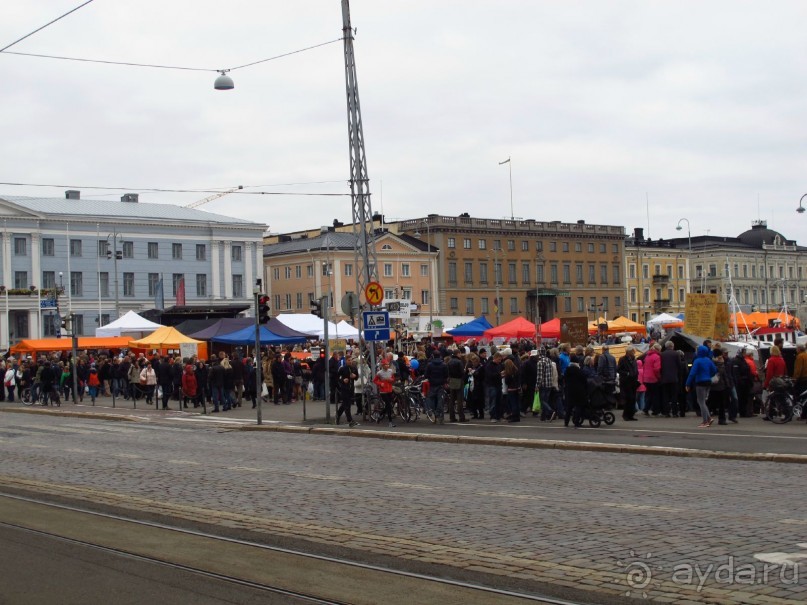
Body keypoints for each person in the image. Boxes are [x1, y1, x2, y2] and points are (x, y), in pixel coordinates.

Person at [685, 345, 717, 428]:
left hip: (700, 382)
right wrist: (709, 375)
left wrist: (688, 383)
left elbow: (692, 373)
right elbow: (714, 370)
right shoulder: (708, 360)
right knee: (703, 401)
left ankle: (705, 420)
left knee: (701, 402)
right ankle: (708, 418)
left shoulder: (697, 361)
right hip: (708, 381)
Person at [763, 345, 787, 421]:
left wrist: (766, 384)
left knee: (773, 397)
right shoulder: (782, 359)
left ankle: (771, 414)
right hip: (781, 380)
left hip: (774, 381)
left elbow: (769, 374)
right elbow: (785, 371)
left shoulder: (771, 360)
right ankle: (771, 413)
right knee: (781, 398)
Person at [660, 341, 683, 417]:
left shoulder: (662, 354)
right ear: (672, 346)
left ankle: (666, 412)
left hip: (664, 378)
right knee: (674, 396)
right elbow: (679, 366)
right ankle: (674, 412)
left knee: (665, 396)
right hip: (674, 378)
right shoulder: (676, 354)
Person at [617, 346, 639, 421]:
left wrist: (637, 375)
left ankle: (631, 415)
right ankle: (626, 415)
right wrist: (627, 373)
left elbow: (635, 369)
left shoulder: (634, 359)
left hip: (633, 381)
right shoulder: (622, 359)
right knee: (628, 398)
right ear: (629, 352)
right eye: (633, 351)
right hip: (626, 381)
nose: (634, 352)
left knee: (633, 398)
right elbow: (619, 369)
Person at [336, 358, 359, 427]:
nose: (350, 361)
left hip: (351, 389)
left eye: (351, 360)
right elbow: (337, 377)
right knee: (347, 405)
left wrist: (355, 376)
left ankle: (338, 415)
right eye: (348, 360)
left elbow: (356, 377)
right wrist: (343, 380)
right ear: (346, 361)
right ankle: (350, 420)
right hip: (344, 388)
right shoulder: (342, 368)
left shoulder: (354, 368)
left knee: (345, 404)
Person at [373, 360, 396, 427]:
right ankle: (390, 422)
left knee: (389, 405)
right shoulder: (379, 373)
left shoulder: (390, 371)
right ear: (382, 365)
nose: (387, 366)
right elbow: (374, 380)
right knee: (388, 405)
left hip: (390, 390)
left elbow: (393, 379)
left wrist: (391, 380)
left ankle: (380, 416)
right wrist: (380, 383)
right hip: (383, 391)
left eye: (387, 364)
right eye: (385, 364)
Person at [446, 350, 467, 422]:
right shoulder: (459, 362)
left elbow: (448, 372)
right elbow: (462, 372)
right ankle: (461, 417)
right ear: (458, 354)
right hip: (459, 380)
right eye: (460, 353)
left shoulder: (449, 361)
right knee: (459, 400)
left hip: (452, 380)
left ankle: (452, 417)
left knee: (451, 400)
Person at [792, 344, 807, 420]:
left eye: (796, 349)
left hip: (802, 379)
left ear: (799, 349)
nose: (796, 350)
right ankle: (804, 414)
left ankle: (801, 413)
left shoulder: (800, 356)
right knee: (805, 398)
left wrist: (795, 379)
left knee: (799, 397)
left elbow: (798, 369)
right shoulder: (806, 355)